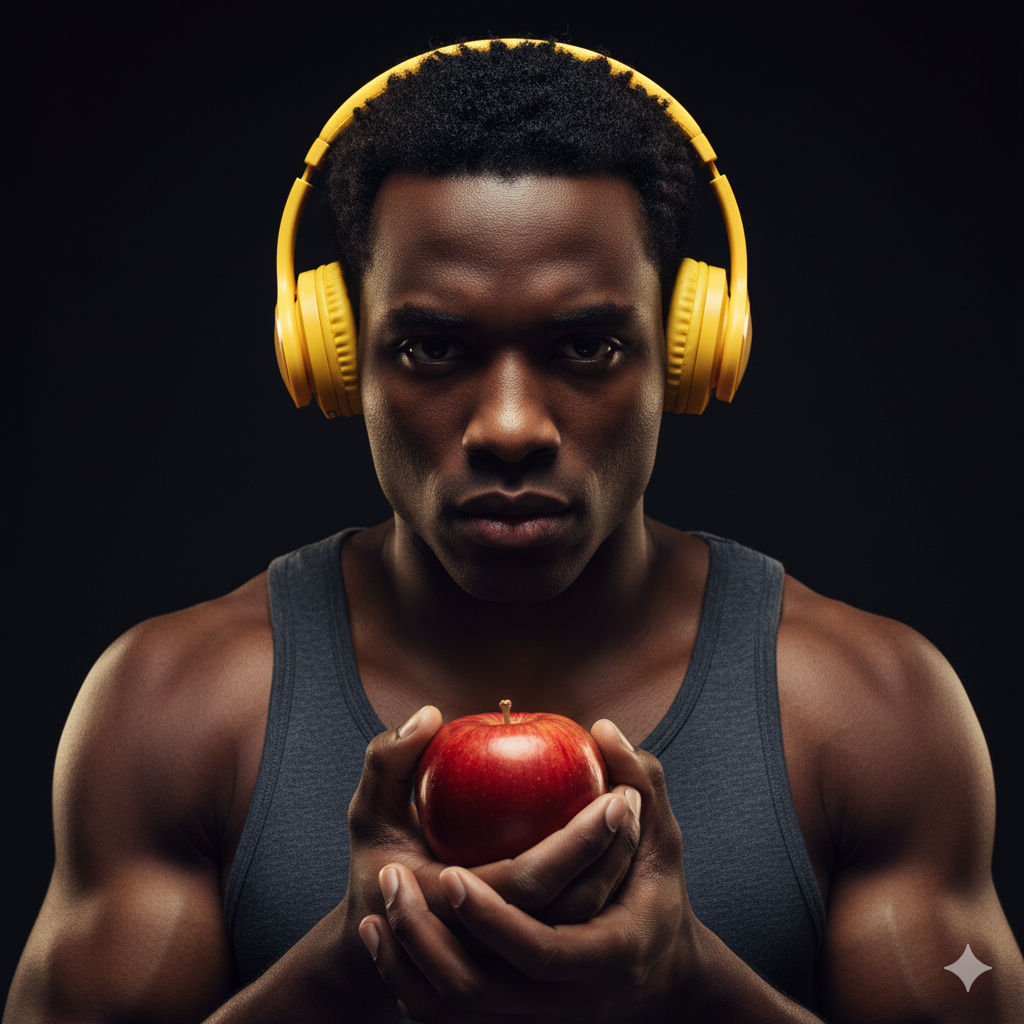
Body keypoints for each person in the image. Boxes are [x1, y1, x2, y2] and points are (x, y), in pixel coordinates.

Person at [5, 38, 1022, 1024]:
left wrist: (689, 986)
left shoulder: (868, 711)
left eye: (585, 345)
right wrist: (346, 967)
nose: (508, 427)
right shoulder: (175, 708)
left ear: (688, 348)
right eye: (432, 348)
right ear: (335, 355)